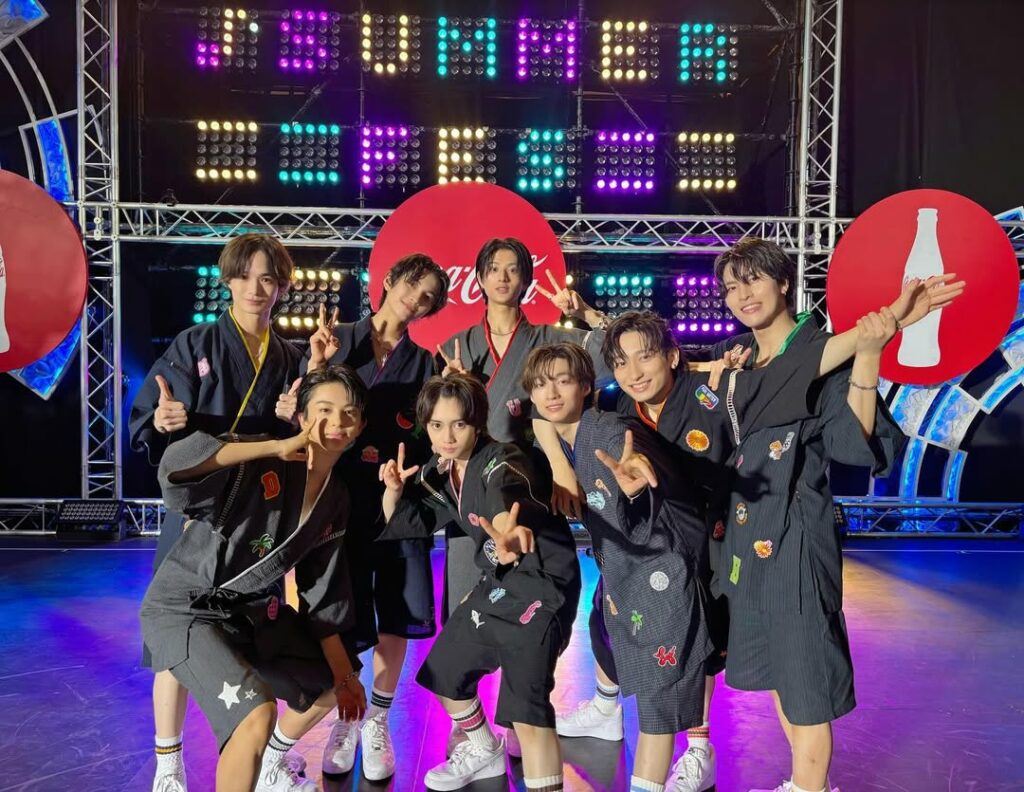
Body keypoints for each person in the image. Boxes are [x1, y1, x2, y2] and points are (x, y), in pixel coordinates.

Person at [708, 238, 962, 792]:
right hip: (744, 539)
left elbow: (853, 443)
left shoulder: (824, 353)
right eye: (731, 287)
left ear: (784, 284)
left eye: (753, 280)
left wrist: (868, 355)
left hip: (795, 538)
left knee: (804, 681)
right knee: (779, 674)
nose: (742, 295)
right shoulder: (739, 357)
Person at [128, 233, 304, 792]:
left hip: (257, 515)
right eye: (245, 276)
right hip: (199, 509)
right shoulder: (195, 343)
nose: (256, 288)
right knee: (175, 637)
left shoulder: (290, 358)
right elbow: (154, 411)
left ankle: (265, 755)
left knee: (252, 629)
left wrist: (293, 416)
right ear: (227, 281)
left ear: (282, 288)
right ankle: (168, 762)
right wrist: (163, 420)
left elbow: (304, 436)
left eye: (268, 278)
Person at [139, 365, 369, 792]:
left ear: (361, 426)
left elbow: (324, 588)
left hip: (248, 612)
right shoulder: (263, 456)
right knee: (255, 713)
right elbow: (177, 469)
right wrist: (274, 446)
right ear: (301, 416)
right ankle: (176, 767)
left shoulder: (336, 498)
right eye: (323, 410)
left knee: (333, 685)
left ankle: (270, 765)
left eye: (349, 413)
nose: (336, 422)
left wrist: (344, 677)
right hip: (186, 606)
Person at [275, 253, 449, 781]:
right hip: (338, 499)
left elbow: (436, 431)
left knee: (396, 612)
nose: (416, 299)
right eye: (412, 285)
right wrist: (315, 364)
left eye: (428, 297)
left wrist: (456, 393)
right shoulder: (337, 340)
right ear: (389, 280)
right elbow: (298, 412)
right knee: (342, 612)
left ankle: (377, 720)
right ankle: (344, 719)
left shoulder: (426, 363)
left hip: (398, 501)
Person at [375, 372, 582, 792]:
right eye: (437, 425)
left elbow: (507, 497)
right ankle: (485, 749)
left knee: (527, 711)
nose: (447, 436)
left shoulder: (504, 459)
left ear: (478, 422)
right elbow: (415, 520)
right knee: (443, 671)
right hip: (499, 581)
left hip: (542, 585)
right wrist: (393, 492)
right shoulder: (442, 470)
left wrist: (507, 530)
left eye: (459, 424)